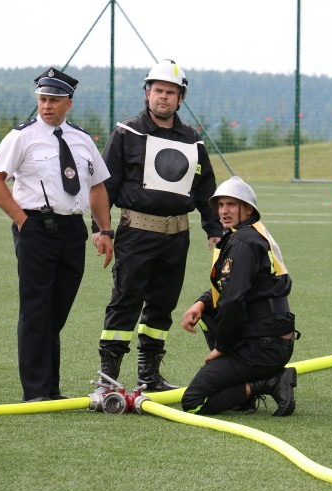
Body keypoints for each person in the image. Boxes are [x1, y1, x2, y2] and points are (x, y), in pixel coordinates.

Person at [0, 67, 114, 402]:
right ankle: (37, 393)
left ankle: (49, 388)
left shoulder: (82, 140)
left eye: (54, 100)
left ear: (68, 103)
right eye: (43, 99)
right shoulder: (21, 137)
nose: (46, 106)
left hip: (72, 232)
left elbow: (97, 186)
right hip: (36, 228)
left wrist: (104, 230)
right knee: (36, 309)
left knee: (57, 310)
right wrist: (21, 220)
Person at [92, 59, 223, 392]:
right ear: (147, 93)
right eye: (158, 90)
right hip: (135, 233)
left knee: (162, 306)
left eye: (171, 92)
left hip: (177, 236)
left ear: (181, 98)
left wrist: (214, 229)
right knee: (126, 302)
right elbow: (105, 186)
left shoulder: (193, 139)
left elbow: (206, 187)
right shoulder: (126, 132)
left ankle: (149, 377)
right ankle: (107, 379)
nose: (163, 97)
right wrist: (103, 230)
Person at [180, 176, 298, 417]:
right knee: (207, 312)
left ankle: (269, 383)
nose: (224, 211)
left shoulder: (244, 241)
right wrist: (201, 303)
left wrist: (222, 348)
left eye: (231, 204)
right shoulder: (249, 233)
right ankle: (243, 395)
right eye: (221, 205)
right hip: (270, 339)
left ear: (248, 209)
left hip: (263, 346)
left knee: (193, 402)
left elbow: (232, 299)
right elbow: (232, 287)